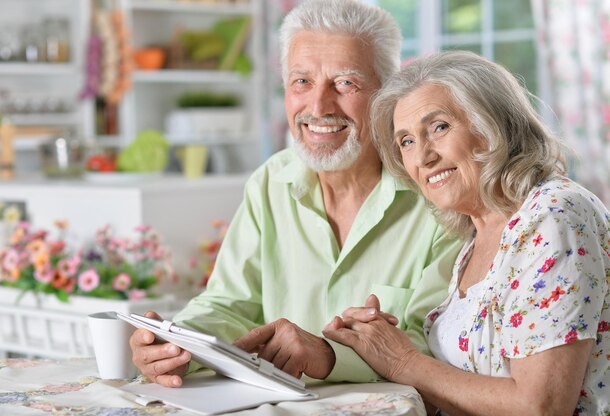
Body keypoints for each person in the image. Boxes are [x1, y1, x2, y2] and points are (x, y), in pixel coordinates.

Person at [130, 0, 462, 388]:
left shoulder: (435, 193)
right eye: (302, 81)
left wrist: (328, 355)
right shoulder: (270, 182)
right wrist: (176, 343)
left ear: (387, 95)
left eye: (345, 83)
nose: (318, 106)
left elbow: (438, 344)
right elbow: (229, 303)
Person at [323, 50, 610, 416]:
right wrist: (370, 341)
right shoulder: (478, 237)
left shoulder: (554, 215)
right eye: (406, 141)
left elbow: (542, 407)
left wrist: (402, 360)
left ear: (492, 126)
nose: (422, 157)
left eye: (439, 127)